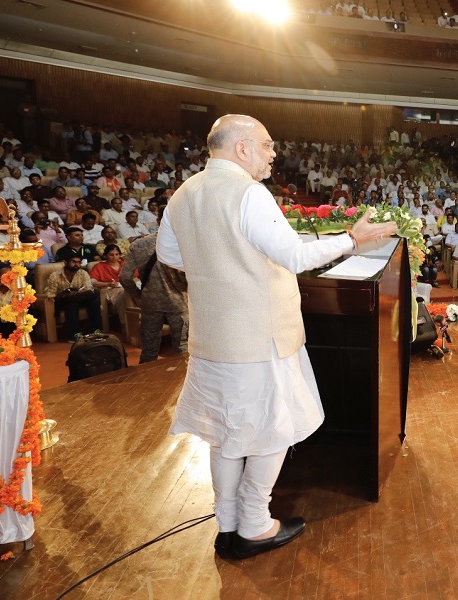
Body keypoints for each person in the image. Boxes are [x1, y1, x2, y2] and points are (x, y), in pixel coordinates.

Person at [156, 115, 398, 560]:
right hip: (260, 338)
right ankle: (254, 524)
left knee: (226, 435)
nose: (272, 153)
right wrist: (351, 238)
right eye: (267, 145)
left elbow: (170, 254)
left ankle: (227, 524)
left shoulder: (184, 194)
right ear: (242, 148)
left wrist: (222, 271)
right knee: (271, 430)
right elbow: (294, 256)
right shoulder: (249, 192)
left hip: (212, 338)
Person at [121, 233, 188, 363]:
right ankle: (181, 381)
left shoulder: (138, 244)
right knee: (182, 349)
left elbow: (125, 277)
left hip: (149, 302)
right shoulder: (183, 242)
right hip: (178, 302)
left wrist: (137, 295)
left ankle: (148, 381)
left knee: (148, 350)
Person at [42, 255, 103, 339]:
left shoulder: (83, 273)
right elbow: (50, 294)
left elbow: (88, 288)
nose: (76, 264)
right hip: (61, 301)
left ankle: (95, 330)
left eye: (78, 262)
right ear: (65, 262)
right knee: (71, 302)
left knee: (94, 298)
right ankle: (74, 333)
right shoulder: (55, 275)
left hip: (80, 298)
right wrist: (65, 294)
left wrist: (78, 293)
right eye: (73, 262)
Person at [90, 244, 125, 326]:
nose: (114, 257)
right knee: (123, 294)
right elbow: (92, 282)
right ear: (105, 255)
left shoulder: (124, 264)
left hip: (125, 287)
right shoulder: (99, 266)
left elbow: (136, 277)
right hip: (109, 289)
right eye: (111, 255)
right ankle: (124, 324)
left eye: (117, 254)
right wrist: (108, 283)